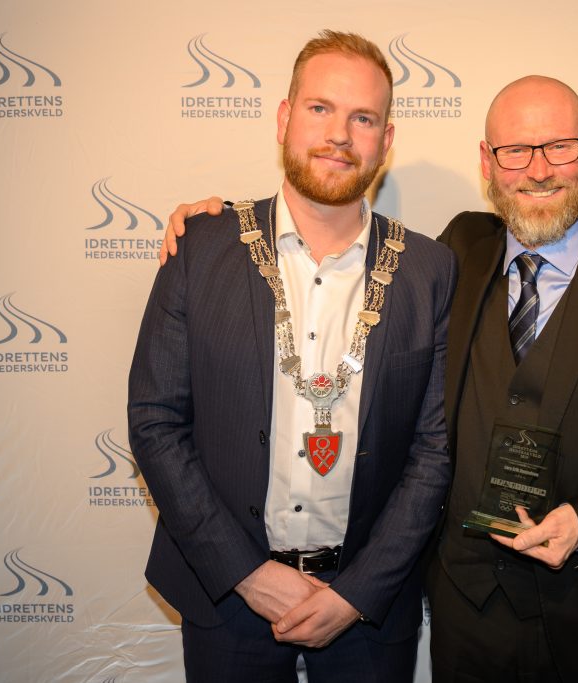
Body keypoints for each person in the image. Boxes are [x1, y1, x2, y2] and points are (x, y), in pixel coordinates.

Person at [163, 76, 578, 683]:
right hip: (466, 622)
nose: (538, 170)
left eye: (560, 146)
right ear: (487, 164)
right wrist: (216, 224)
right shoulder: (457, 251)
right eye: (515, 152)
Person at [128, 31, 454, 683]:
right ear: (283, 118)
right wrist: (245, 574)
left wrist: (357, 591)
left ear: (385, 142)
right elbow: (155, 422)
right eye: (320, 109)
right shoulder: (202, 246)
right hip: (227, 595)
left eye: (363, 118)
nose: (340, 133)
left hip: (369, 607)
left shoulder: (429, 268)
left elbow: (435, 449)